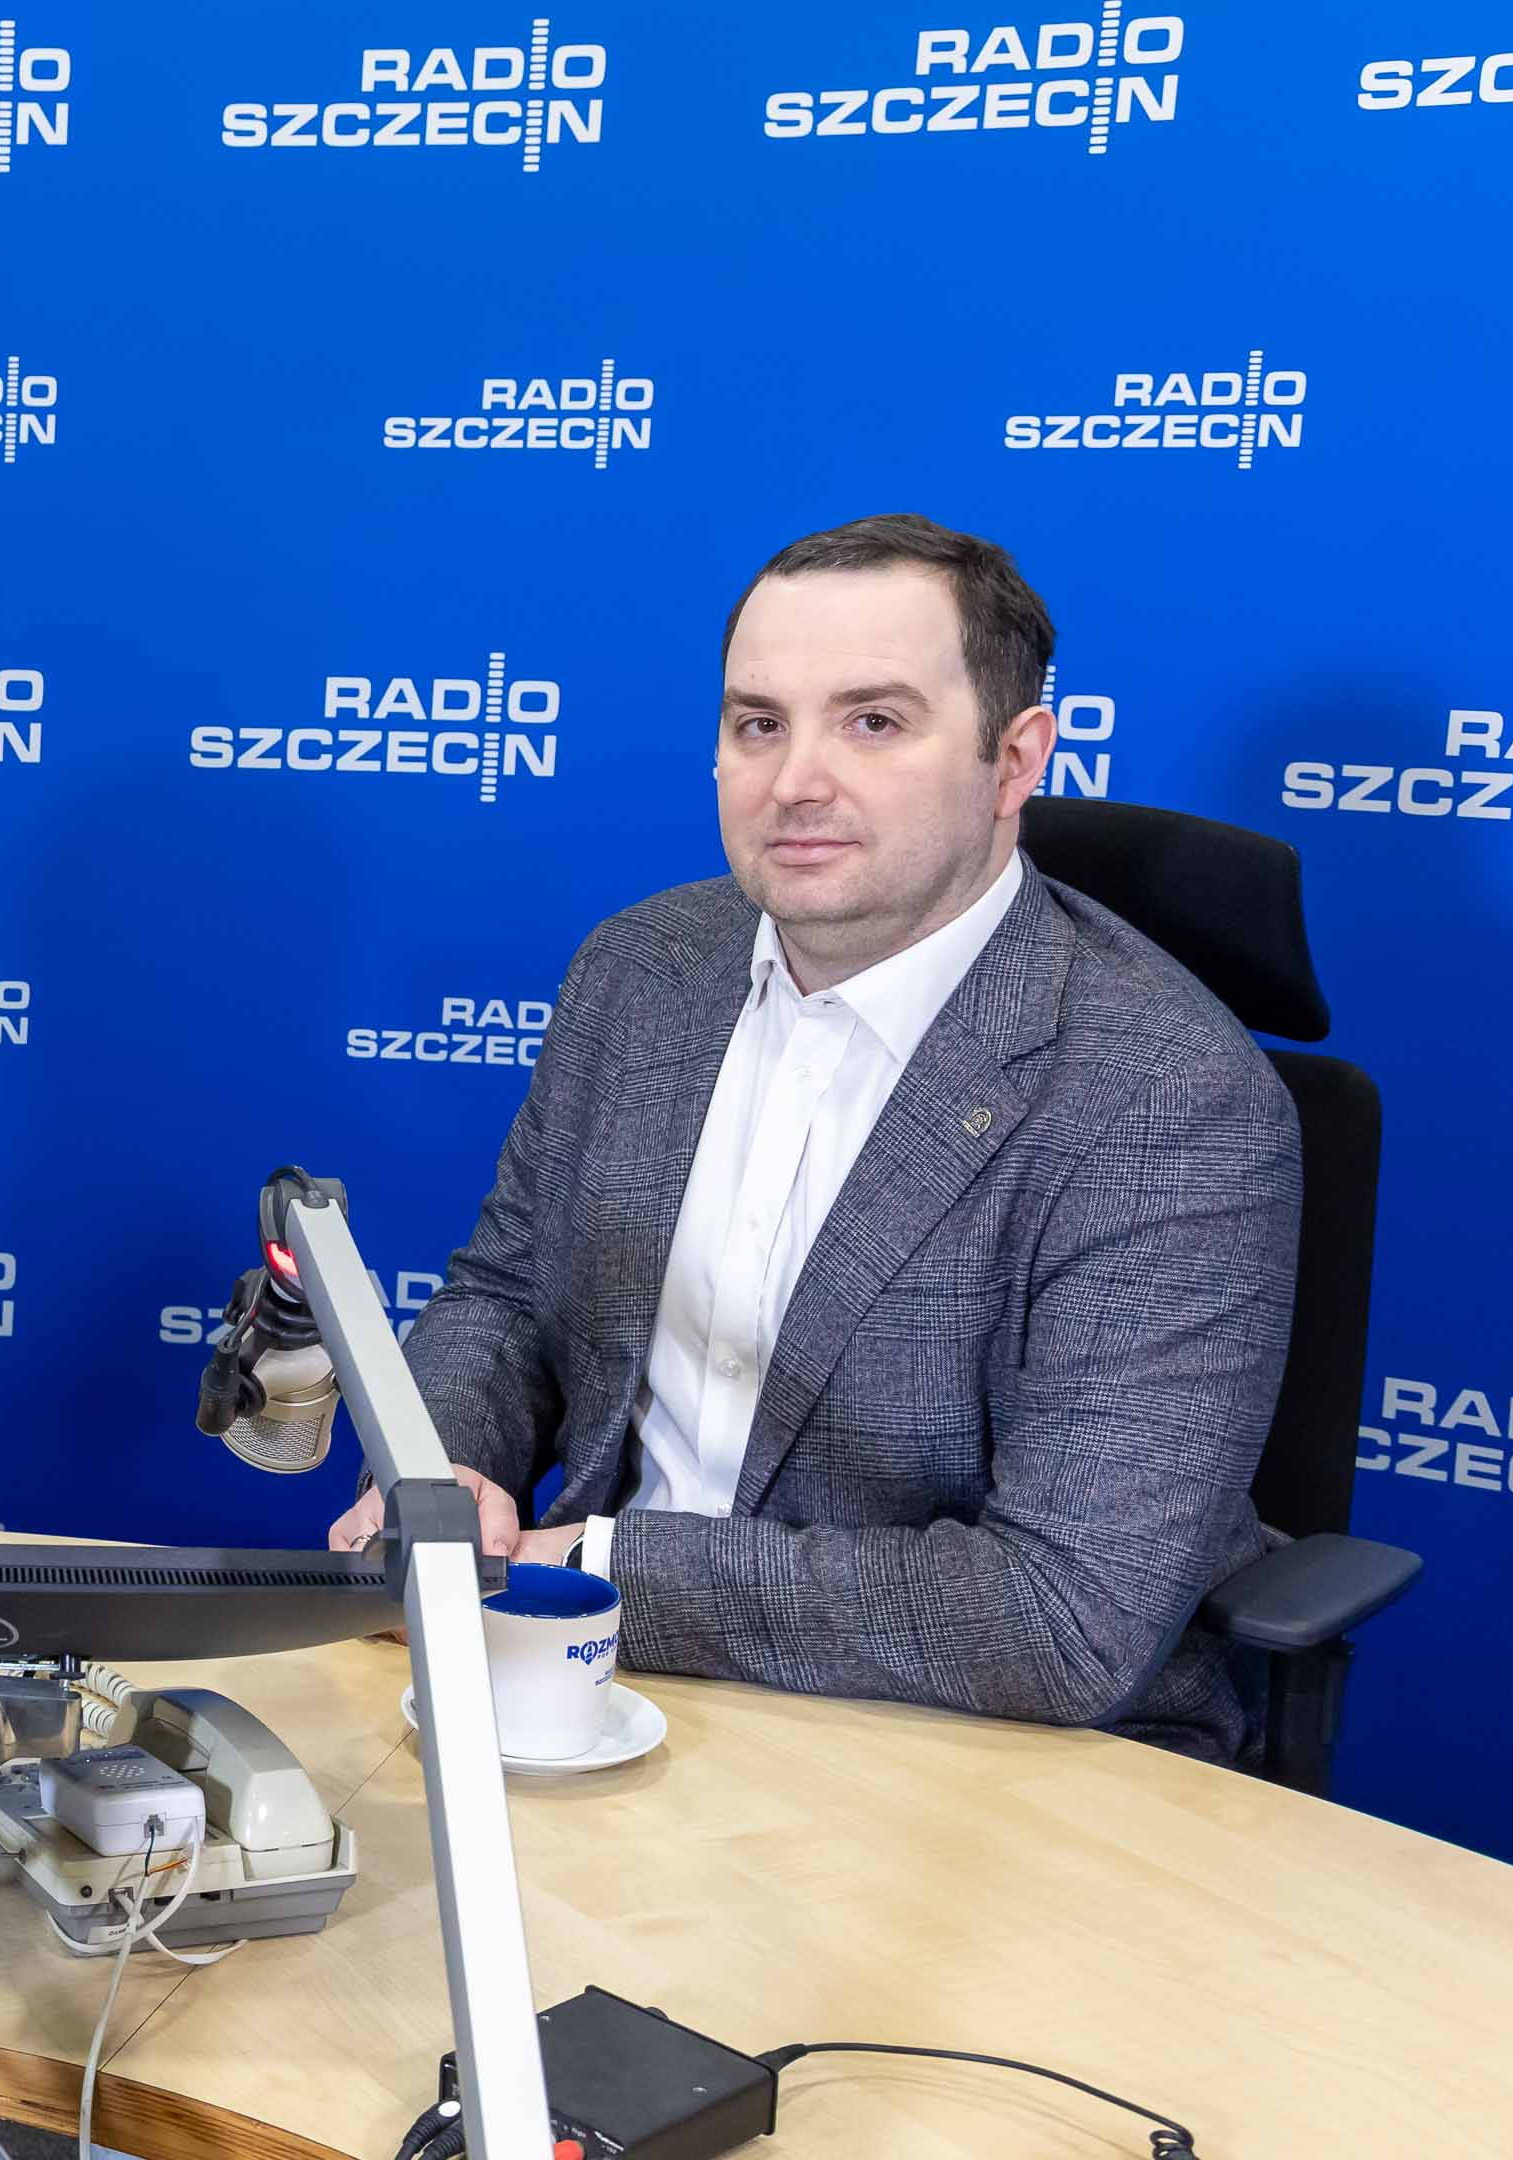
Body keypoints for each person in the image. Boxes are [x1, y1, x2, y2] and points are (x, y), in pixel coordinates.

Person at [329, 513, 1297, 1760]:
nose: (795, 782)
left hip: (972, 1747)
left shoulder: (1165, 1097)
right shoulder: (643, 969)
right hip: (571, 1673)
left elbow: (1063, 1618)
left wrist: (602, 1567)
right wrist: (442, 1474)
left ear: (1015, 761)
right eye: (759, 724)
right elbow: (508, 1294)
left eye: (873, 722)